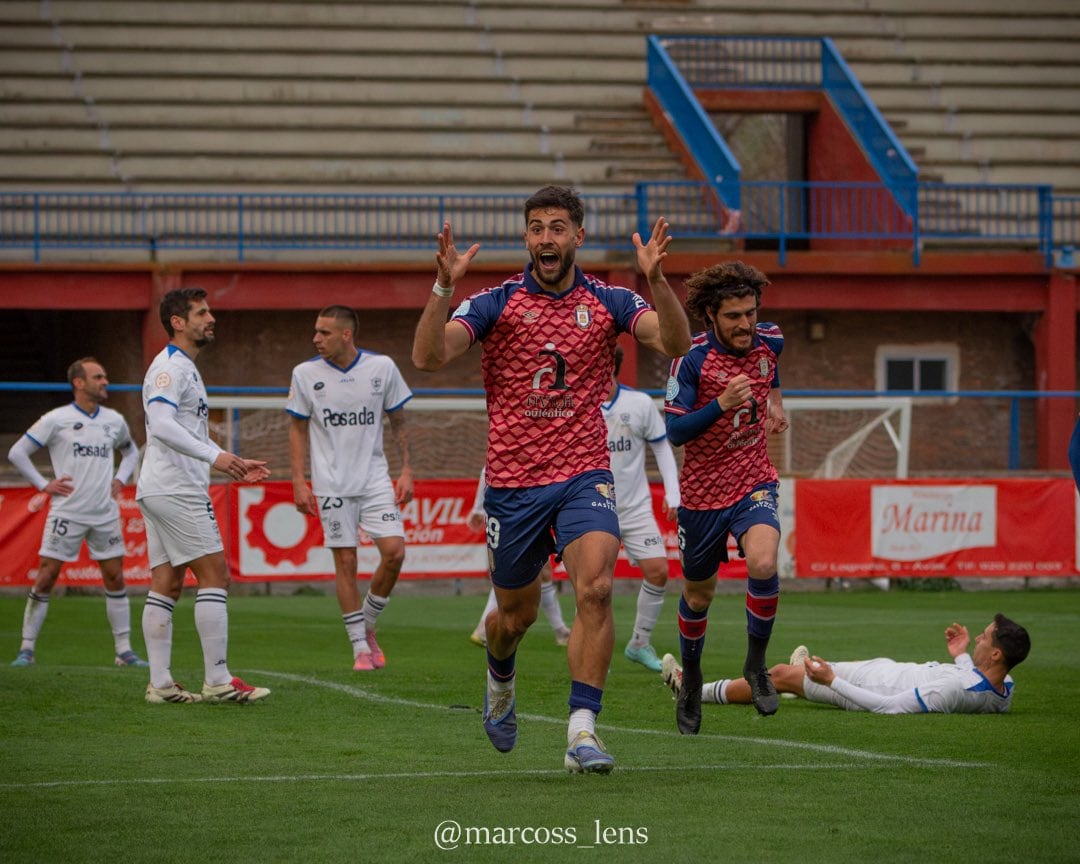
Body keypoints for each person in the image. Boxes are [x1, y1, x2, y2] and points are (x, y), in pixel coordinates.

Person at [412, 184, 691, 774]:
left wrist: (658, 282)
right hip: (513, 486)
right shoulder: (496, 303)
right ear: (526, 237)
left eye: (557, 227)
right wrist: (442, 289)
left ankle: (582, 731)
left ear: (577, 236)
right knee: (514, 620)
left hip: (584, 474)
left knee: (594, 589)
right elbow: (429, 357)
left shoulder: (612, 300)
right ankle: (500, 683)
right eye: (536, 227)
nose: (546, 237)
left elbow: (677, 344)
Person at [664, 260, 789, 733]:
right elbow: (675, 430)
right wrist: (721, 405)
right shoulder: (690, 358)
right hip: (701, 496)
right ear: (711, 315)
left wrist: (775, 402)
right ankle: (692, 676)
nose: (745, 324)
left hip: (754, 481)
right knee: (699, 595)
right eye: (734, 316)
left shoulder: (770, 339)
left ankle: (755, 666)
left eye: (750, 313)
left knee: (763, 562)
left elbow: (772, 369)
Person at [138, 287, 272, 704]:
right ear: (178, 322)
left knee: (167, 582)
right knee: (215, 575)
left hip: (160, 486)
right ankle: (217, 681)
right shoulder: (170, 369)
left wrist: (216, 456)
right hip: (175, 489)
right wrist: (219, 456)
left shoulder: (184, 368)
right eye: (201, 312)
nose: (211, 318)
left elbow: (174, 427)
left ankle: (160, 685)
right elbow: (160, 424)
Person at [287, 305, 414, 671]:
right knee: (345, 562)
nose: (316, 339)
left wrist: (406, 469)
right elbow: (296, 427)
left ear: (346, 334)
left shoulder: (382, 368)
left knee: (395, 552)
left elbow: (399, 420)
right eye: (316, 331)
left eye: (324, 332)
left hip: (374, 478)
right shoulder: (305, 374)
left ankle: (368, 623)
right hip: (331, 484)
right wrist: (299, 480)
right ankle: (359, 645)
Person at [7, 357, 145, 668]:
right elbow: (17, 452)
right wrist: (44, 484)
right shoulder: (56, 419)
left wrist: (121, 479)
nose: (105, 381)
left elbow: (131, 450)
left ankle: (124, 651)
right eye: (98, 377)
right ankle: (26, 649)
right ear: (79, 383)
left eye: (105, 376)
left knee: (114, 577)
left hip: (104, 513)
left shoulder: (113, 420)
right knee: (46, 577)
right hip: (67, 512)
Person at [661, 614, 1030, 715]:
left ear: (997, 655)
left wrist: (833, 681)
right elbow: (976, 679)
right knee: (803, 668)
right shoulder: (1003, 687)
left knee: (777, 675)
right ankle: (805, 671)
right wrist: (962, 653)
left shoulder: (954, 690)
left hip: (870, 688)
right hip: (883, 670)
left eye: (984, 638)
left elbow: (889, 708)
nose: (979, 639)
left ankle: (692, 691)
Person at [603, 346, 681, 672]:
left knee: (658, 570)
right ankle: (595, 652)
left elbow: (662, 447)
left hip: (635, 507)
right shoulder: (576, 406)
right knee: (596, 586)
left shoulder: (639, 404)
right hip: (594, 509)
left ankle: (639, 643)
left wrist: (674, 493)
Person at [466, 468, 572, 648]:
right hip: (516, 512)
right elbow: (488, 468)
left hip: (527, 509)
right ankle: (483, 629)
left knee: (543, 571)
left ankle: (560, 631)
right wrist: (477, 508)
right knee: (516, 570)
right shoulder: (513, 451)